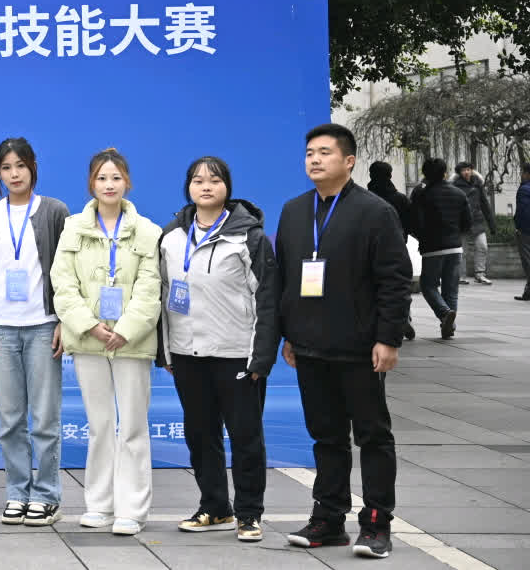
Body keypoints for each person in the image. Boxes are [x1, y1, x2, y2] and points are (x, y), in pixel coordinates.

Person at [276, 123, 411, 559]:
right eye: (310, 153)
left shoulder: (375, 212)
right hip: (309, 347)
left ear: (349, 161)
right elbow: (285, 279)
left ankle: (376, 523)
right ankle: (329, 519)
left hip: (360, 348)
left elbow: (394, 280)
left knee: (372, 436)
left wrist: (388, 338)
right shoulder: (294, 211)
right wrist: (289, 334)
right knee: (326, 437)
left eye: (325, 153)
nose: (315, 160)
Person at [157, 157, 278, 544]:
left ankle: (249, 513)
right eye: (197, 180)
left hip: (236, 354)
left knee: (245, 437)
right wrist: (166, 352)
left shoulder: (248, 238)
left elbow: (267, 299)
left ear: (227, 187)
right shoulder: (171, 237)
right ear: (188, 188)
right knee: (200, 434)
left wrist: (261, 356)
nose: (205, 186)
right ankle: (214, 506)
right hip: (187, 354)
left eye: (214, 180)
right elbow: (162, 295)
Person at [49, 147, 162, 537]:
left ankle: (132, 508)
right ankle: (99, 503)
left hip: (132, 341)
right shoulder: (72, 228)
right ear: (91, 184)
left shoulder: (148, 232)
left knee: (132, 425)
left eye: (116, 177)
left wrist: (126, 329)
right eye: (101, 178)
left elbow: (150, 289)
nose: (109, 184)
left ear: (127, 182)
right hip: (89, 341)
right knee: (100, 425)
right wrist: (89, 325)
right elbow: (63, 284)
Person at [0, 138, 70, 526]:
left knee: (44, 419)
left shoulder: (54, 211)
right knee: (11, 419)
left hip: (43, 325)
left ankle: (46, 495)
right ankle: (17, 492)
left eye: (21, 166)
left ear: (33, 168)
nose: (14, 174)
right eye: (6, 168)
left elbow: (66, 273)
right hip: (2, 329)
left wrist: (63, 320)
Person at [409, 158, 472, 339]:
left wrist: (421, 237)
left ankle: (444, 314)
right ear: (445, 173)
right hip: (455, 248)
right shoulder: (459, 193)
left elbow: (414, 221)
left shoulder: (422, 195)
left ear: (425, 174)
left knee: (428, 285)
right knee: (451, 290)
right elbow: (467, 223)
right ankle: (449, 326)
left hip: (432, 248)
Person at [366, 161, 416, 340]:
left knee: (372, 285)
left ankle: (378, 320)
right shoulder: (400, 199)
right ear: (390, 175)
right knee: (397, 283)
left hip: (369, 248)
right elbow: (410, 223)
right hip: (397, 247)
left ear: (371, 175)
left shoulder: (366, 199)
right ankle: (404, 317)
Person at [453, 162, 495, 285]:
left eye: (468, 169)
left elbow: (485, 204)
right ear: (459, 173)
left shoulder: (478, 184)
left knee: (482, 246)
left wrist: (492, 224)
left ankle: (480, 274)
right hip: (462, 222)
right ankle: (461, 276)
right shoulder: (455, 186)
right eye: (463, 170)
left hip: (477, 221)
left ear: (472, 170)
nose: (466, 172)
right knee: (462, 250)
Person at [515, 163, 530, 302]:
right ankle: (528, 292)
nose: (521, 175)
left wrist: (518, 228)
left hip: (526, 231)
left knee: (527, 261)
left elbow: (523, 211)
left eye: (522, 172)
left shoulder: (524, 189)